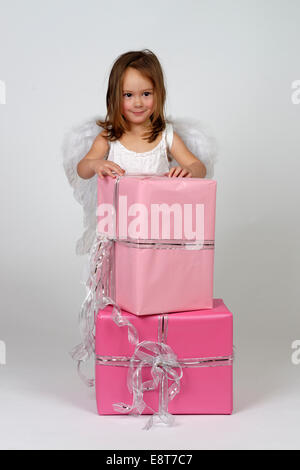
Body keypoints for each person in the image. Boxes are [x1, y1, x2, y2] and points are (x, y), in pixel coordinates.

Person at [76, 49, 207, 181]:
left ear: (158, 94)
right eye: (128, 95)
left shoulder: (166, 136)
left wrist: (189, 170)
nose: (138, 103)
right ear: (115, 97)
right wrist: (94, 164)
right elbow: (82, 169)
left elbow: (199, 167)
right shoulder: (109, 137)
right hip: (120, 201)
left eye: (146, 94)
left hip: (157, 202)